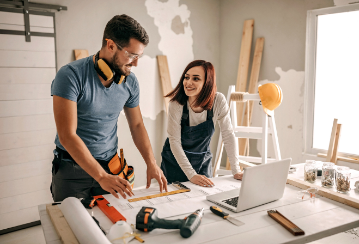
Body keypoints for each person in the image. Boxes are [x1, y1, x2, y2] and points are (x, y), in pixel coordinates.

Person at [50, 15, 167, 202]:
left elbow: (136, 125)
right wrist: (101, 176)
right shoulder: (70, 76)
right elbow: (67, 135)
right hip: (72, 169)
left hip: (110, 167)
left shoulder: (130, 81)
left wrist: (151, 163)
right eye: (131, 55)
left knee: (113, 227)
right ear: (111, 45)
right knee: (72, 227)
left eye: (139, 56)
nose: (135, 63)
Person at [160, 60, 246, 187]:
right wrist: (191, 175)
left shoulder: (218, 101)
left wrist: (236, 170)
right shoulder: (176, 104)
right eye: (186, 77)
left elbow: (228, 135)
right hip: (175, 162)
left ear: (207, 82)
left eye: (196, 79)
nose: (188, 83)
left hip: (202, 160)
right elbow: (174, 141)